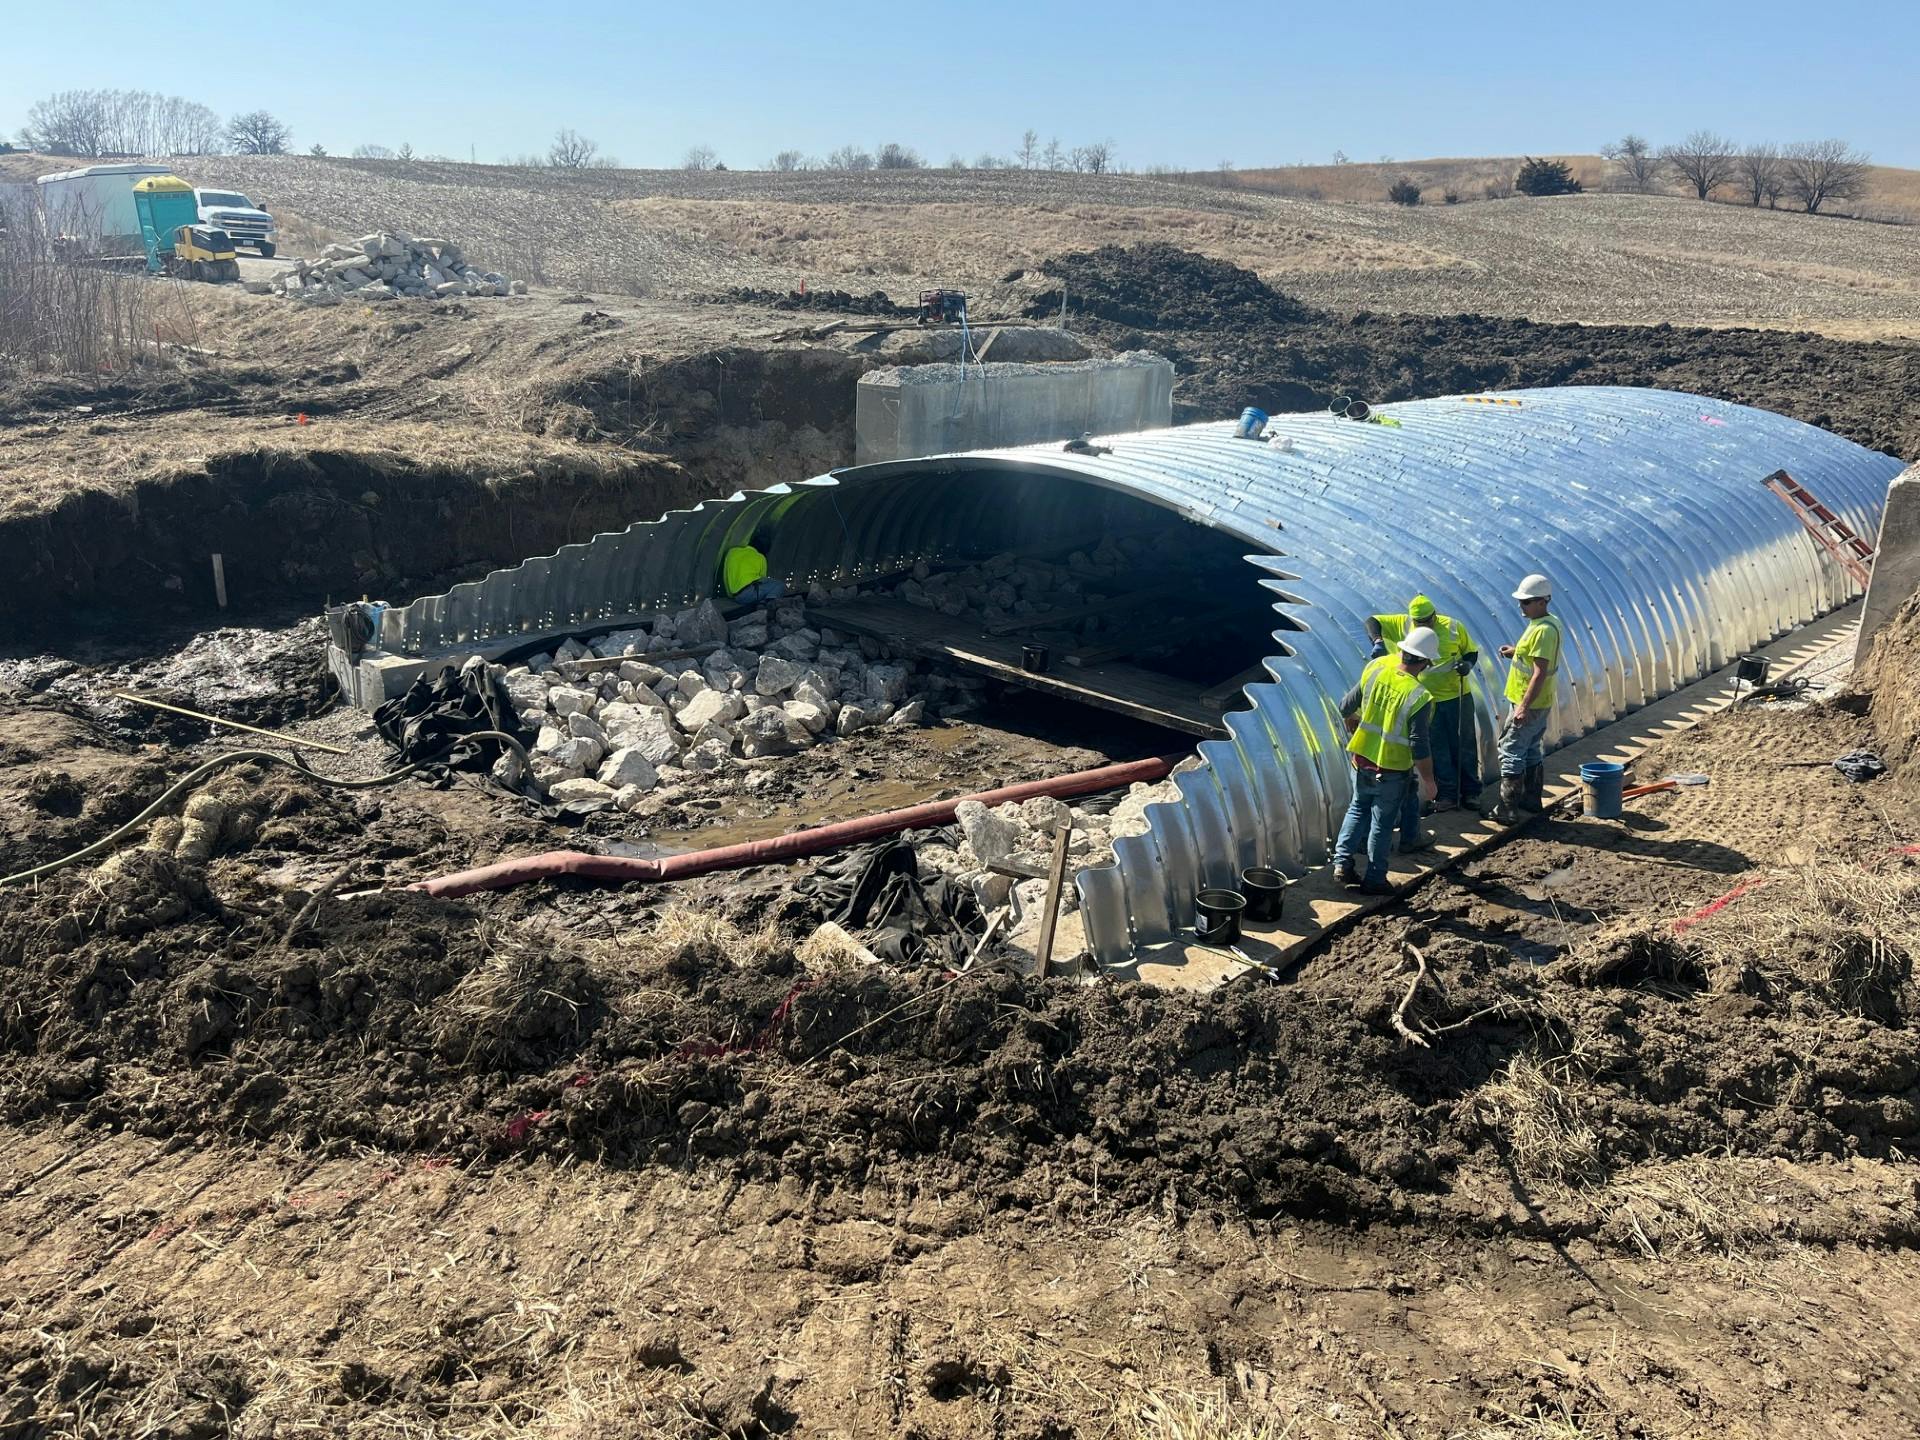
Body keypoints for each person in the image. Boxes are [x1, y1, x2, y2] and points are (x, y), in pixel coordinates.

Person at [1332, 627, 1441, 894]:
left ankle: (1342, 864)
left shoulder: (1376, 670)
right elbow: (1418, 744)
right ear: (1425, 661)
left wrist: (1354, 724)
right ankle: (1375, 879)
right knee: (1382, 824)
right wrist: (1428, 779)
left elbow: (1345, 706)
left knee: (1357, 809)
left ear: (1402, 650)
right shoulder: (1419, 695)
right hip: (1391, 769)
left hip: (1362, 759)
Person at [1366, 594, 1480, 817]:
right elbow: (1372, 621)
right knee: (1437, 748)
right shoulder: (1404, 624)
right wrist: (1378, 641)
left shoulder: (1453, 627)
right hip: (1427, 700)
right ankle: (1447, 795)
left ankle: (1471, 792)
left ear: (1434, 616)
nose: (1422, 626)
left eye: (1427, 621)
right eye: (1418, 622)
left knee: (1463, 744)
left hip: (1457, 697)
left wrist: (1467, 664)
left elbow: (1471, 651)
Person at [1491, 573, 1564, 822]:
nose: (1521, 606)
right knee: (1532, 749)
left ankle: (1507, 810)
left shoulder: (1544, 630)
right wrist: (1516, 652)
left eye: (1526, 602)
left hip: (1530, 703)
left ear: (1542, 601)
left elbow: (1540, 672)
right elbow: (1535, 656)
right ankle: (1531, 801)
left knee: (1511, 750)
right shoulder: (1546, 622)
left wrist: (1523, 706)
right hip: (1538, 703)